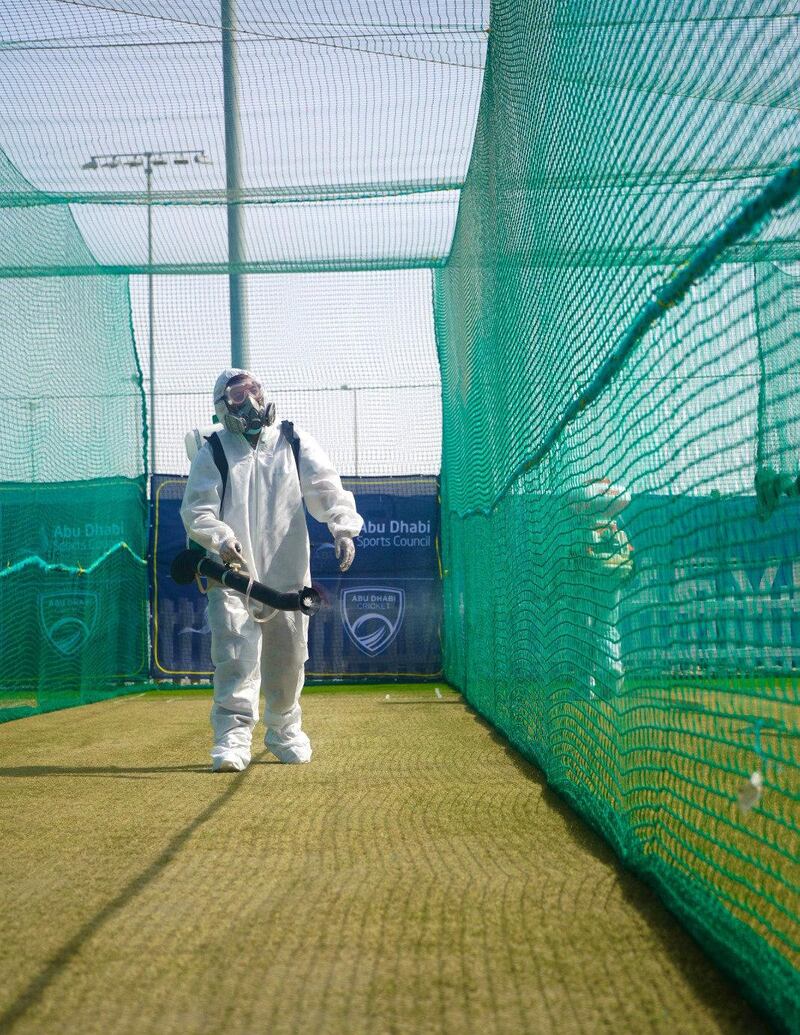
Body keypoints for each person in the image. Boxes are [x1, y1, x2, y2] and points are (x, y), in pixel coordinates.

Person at [181, 368, 363, 771]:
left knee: (290, 654)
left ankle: (284, 729)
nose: (250, 401)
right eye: (238, 395)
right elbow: (198, 509)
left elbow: (325, 486)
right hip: (231, 571)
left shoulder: (292, 439)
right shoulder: (214, 449)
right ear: (223, 405)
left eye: (254, 391)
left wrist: (342, 527)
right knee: (234, 652)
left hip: (286, 573)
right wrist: (221, 538)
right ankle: (232, 738)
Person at [567, 478, 634, 699]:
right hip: (612, 578)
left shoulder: (584, 530)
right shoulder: (618, 532)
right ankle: (612, 668)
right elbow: (628, 558)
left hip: (589, 579)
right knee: (606, 626)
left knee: (585, 628)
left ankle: (585, 684)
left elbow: (576, 556)